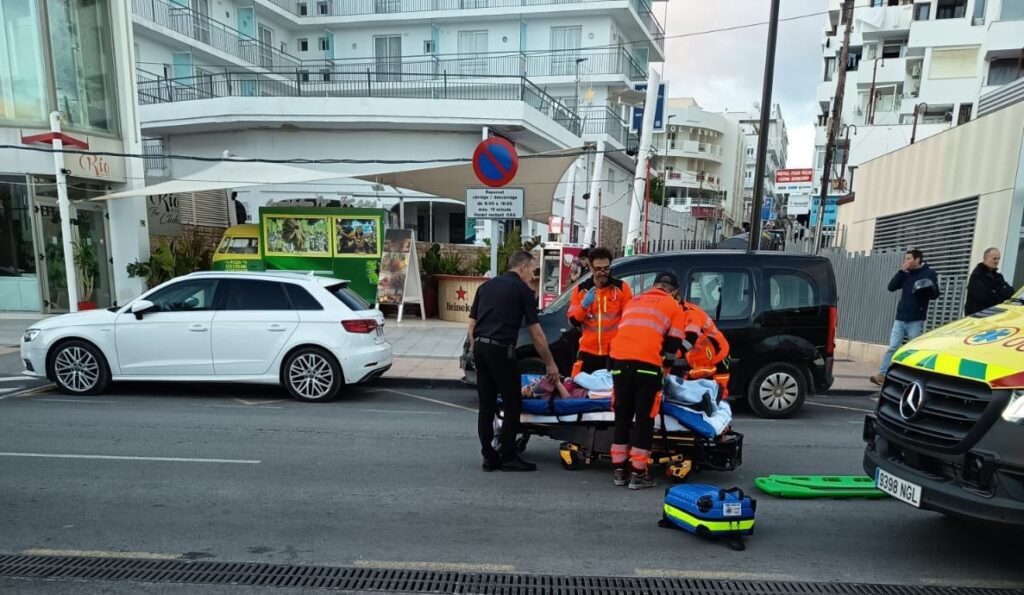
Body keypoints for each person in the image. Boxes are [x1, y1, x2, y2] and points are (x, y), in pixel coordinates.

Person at [468, 250, 560, 473]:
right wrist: (550, 363)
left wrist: (477, 350)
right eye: (533, 270)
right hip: (501, 350)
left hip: (480, 347)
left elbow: (472, 325)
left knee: (486, 405)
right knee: (512, 403)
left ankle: (488, 456)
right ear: (523, 267)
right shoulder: (523, 290)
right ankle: (509, 456)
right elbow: (536, 333)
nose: (533, 276)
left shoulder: (486, 287)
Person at [608, 271, 691, 490]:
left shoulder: (634, 301)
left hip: (619, 363)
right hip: (647, 366)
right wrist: (666, 369)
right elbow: (673, 345)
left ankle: (619, 471)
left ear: (654, 286)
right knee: (644, 420)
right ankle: (638, 474)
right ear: (674, 291)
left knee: (622, 417)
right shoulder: (674, 307)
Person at [871, 249, 940, 386]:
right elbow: (891, 287)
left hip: (916, 318)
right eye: (906, 259)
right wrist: (901, 272)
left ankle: (911, 378)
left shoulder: (929, 273)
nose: (906, 261)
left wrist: (925, 289)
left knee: (913, 349)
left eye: (909, 259)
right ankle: (882, 375)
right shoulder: (906, 274)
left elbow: (935, 294)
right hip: (901, 317)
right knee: (893, 347)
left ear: (917, 260)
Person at [566, 247, 632, 375]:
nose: (603, 272)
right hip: (588, 352)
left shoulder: (622, 288)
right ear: (591, 268)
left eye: (606, 268)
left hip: (614, 353)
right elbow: (572, 322)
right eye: (598, 269)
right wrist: (583, 306)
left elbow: (629, 322)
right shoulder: (580, 290)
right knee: (580, 386)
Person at [964, 247, 1015, 316]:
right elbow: (986, 297)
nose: (997, 261)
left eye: (998, 259)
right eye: (994, 258)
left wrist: (996, 291)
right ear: (986, 258)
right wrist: (1001, 293)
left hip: (993, 316)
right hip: (977, 317)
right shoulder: (977, 275)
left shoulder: (998, 276)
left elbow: (1011, 292)